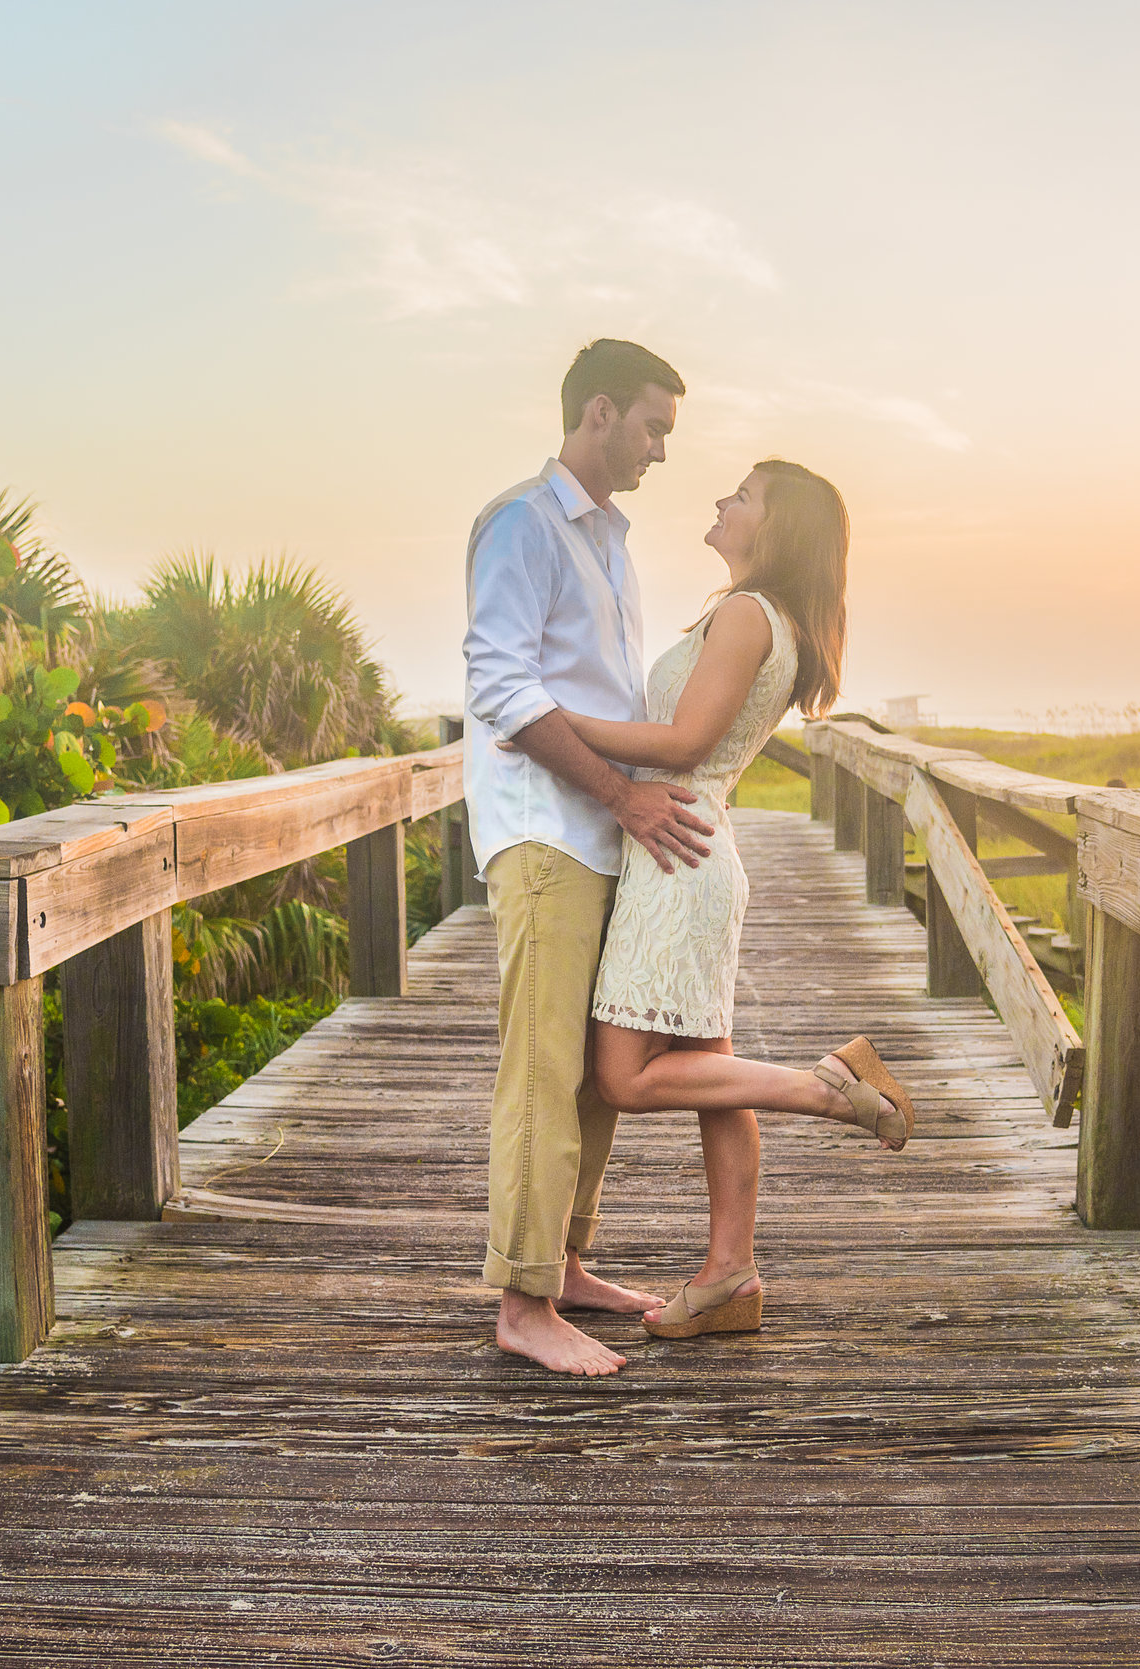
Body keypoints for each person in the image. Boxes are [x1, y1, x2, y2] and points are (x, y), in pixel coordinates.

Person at [562, 459, 919, 1343]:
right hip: (694, 848)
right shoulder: (777, 620)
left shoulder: (747, 614)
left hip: (676, 855)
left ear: (778, 528)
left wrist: (551, 720)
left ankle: (826, 1088)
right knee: (716, 1076)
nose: (723, 501)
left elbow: (683, 739)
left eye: (743, 495)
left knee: (624, 1076)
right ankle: (732, 1274)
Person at [462, 339, 715, 1376]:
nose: (661, 449)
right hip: (545, 831)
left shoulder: (609, 543)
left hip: (604, 838)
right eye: (654, 425)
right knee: (544, 1066)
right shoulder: (523, 525)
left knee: (597, 1083)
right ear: (599, 411)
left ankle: (562, 1261)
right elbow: (503, 689)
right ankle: (522, 1303)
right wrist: (621, 794)